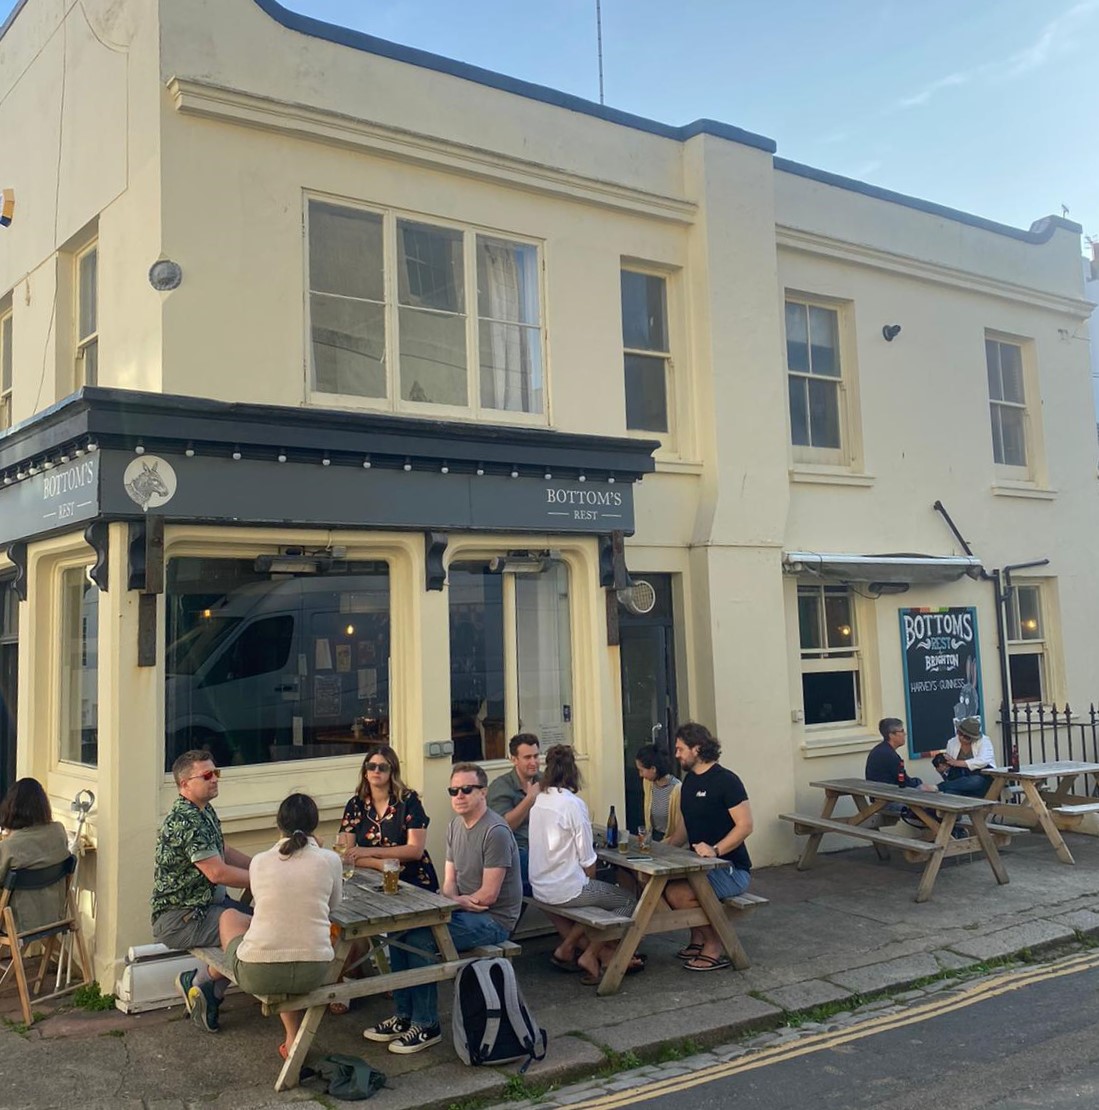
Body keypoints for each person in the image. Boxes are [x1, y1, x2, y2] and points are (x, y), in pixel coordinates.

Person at [363, 762, 522, 1055]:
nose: (459, 796)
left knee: (421, 938)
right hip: (464, 911)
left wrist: (455, 901)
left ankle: (427, 1025)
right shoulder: (454, 826)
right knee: (400, 931)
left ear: (483, 792)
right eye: (453, 790)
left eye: (466, 789)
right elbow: (448, 883)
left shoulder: (495, 831)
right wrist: (457, 901)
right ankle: (404, 1015)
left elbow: (487, 896)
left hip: (494, 920)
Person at [227, 794, 341, 1060]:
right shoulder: (329, 860)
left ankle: (212, 978)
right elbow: (333, 906)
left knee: (231, 918)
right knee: (295, 937)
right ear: (315, 825)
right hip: (315, 970)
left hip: (259, 972)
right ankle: (292, 1037)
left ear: (278, 825)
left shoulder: (259, 861)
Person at [151, 749, 253, 1034]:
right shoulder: (186, 820)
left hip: (210, 905)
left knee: (259, 924)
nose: (215, 779)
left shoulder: (204, 810)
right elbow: (217, 872)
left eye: (216, 773)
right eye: (207, 775)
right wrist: (265, 881)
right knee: (256, 933)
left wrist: (261, 868)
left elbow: (224, 852)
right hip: (182, 917)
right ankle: (201, 982)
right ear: (185, 785)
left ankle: (209, 993)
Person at [529, 744, 639, 985]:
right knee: (629, 900)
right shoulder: (572, 804)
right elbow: (588, 862)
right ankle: (591, 954)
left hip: (540, 885)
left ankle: (573, 948)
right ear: (573, 772)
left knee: (598, 898)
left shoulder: (540, 801)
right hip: (565, 889)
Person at [663, 723, 752, 973]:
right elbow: (685, 828)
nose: (677, 754)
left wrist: (715, 850)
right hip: (700, 867)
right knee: (657, 885)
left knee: (679, 893)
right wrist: (660, 847)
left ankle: (714, 943)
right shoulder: (689, 783)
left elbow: (745, 826)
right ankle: (698, 938)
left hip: (732, 869)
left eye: (681, 749)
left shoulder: (727, 781)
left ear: (697, 749)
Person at [338, 746, 439, 890]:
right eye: (371, 766)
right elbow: (345, 855)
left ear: (392, 772)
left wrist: (369, 852)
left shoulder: (409, 801)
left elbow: (415, 850)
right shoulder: (355, 805)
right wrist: (378, 864)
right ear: (365, 772)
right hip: (370, 880)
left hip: (411, 879)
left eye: (383, 767)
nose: (376, 771)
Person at [0, 778, 72, 933]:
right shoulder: (58, 832)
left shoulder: (9, 846)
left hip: (19, 921)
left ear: (11, 807)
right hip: (53, 916)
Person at [486, 732, 540, 893]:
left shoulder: (545, 780)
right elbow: (504, 826)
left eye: (536, 756)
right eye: (527, 757)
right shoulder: (501, 786)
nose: (533, 762)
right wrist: (529, 799)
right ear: (514, 759)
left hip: (546, 847)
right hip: (517, 849)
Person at [865, 719, 938, 792]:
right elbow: (904, 782)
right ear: (891, 735)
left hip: (879, 794)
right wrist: (918, 782)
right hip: (888, 797)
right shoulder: (890, 756)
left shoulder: (880, 750)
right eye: (902, 731)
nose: (905, 734)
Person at [934, 716, 995, 797]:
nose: (962, 738)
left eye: (966, 737)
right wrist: (943, 769)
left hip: (980, 778)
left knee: (975, 781)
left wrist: (957, 763)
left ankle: (939, 787)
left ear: (973, 737)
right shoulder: (952, 742)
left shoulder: (984, 741)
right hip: (959, 779)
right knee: (950, 792)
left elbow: (983, 761)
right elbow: (950, 768)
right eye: (959, 733)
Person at [634, 743, 681, 842]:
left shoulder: (677, 789)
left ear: (653, 769)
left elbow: (680, 829)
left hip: (671, 842)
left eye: (641, 770)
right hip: (652, 838)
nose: (640, 775)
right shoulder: (648, 784)